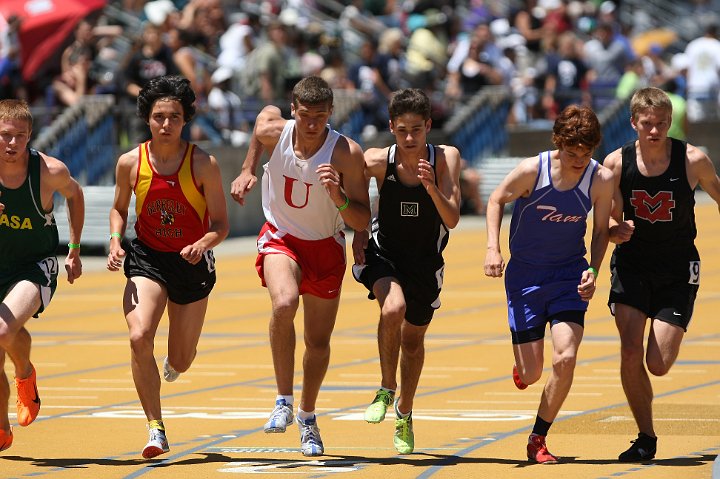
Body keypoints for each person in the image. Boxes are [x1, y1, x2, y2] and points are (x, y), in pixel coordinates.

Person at [229, 76, 370, 457]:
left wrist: (338, 197)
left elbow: (361, 218)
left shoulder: (345, 154)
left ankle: (307, 417)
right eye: (305, 116)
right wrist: (247, 169)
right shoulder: (277, 131)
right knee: (284, 302)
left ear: (331, 114)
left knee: (318, 342)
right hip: (281, 236)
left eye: (320, 117)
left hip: (325, 246)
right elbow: (261, 124)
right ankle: (283, 400)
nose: (311, 125)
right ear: (293, 110)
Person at [107, 75, 229, 459]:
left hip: (192, 263)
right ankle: (155, 428)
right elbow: (118, 208)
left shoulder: (204, 164)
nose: (165, 123)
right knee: (139, 335)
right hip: (147, 258)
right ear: (147, 118)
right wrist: (115, 240)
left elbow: (221, 224)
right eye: (159, 116)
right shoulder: (131, 162)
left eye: (174, 116)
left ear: (185, 119)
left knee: (181, 359)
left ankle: (174, 363)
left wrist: (203, 243)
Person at [484, 105, 614, 463]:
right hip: (525, 278)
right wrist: (493, 248)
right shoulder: (533, 170)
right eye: (572, 153)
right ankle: (523, 369)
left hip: (568, 277)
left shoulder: (599, 179)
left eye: (586, 154)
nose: (579, 161)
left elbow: (602, 231)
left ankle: (537, 437)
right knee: (531, 372)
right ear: (558, 144)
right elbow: (496, 199)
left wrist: (594, 270)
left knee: (566, 357)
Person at [603, 87, 720, 462]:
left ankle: (671, 328)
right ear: (634, 122)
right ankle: (645, 437)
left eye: (661, 124)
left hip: (677, 267)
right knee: (629, 350)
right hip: (632, 265)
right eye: (647, 124)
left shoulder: (692, 160)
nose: (654, 131)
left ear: (671, 123)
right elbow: (607, 214)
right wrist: (614, 228)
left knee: (657, 363)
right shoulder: (617, 163)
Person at [351, 88, 461, 454]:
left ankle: (405, 412)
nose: (410, 139)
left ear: (429, 126)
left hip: (426, 264)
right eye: (402, 131)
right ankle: (386, 387)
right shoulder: (377, 161)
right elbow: (346, 187)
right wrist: (357, 232)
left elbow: (453, 218)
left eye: (417, 129)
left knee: (413, 342)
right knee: (392, 308)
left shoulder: (445, 160)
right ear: (391, 128)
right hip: (385, 255)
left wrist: (431, 187)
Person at [0, 99, 84, 452]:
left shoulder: (49, 171)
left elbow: (76, 195)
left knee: (2, 330)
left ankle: (22, 375)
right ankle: (2, 425)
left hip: (34, 267)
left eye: (20, 136)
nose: (12, 143)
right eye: (5, 135)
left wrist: (75, 249)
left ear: (30, 136)